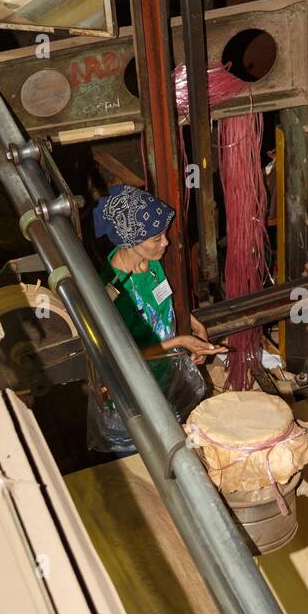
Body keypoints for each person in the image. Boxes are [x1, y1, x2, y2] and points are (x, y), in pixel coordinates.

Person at [87, 183, 225, 455]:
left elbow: (166, 304)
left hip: (166, 378)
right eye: (156, 239)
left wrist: (193, 325)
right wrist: (181, 342)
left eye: (163, 235)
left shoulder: (152, 264)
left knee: (176, 448)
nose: (166, 243)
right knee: (146, 464)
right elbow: (122, 358)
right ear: (130, 241)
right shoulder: (113, 293)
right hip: (132, 398)